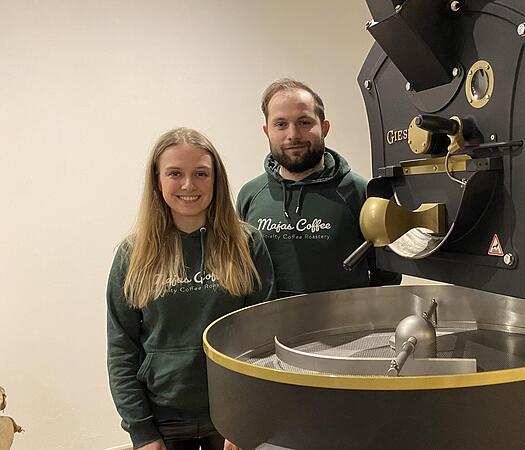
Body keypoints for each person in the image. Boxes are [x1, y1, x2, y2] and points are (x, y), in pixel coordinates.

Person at [107, 128, 275, 450]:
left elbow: (263, 341)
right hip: (162, 420)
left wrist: (247, 419)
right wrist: (142, 432)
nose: (188, 185)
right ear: (157, 180)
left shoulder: (247, 245)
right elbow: (121, 349)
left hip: (229, 417)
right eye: (175, 174)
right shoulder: (132, 254)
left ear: (216, 180)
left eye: (200, 173)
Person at [237, 78, 401, 297]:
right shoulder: (250, 195)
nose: (293, 135)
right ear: (267, 131)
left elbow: (387, 276)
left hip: (346, 329)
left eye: (304, 122)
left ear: (324, 127)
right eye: (281, 124)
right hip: (269, 328)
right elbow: (243, 271)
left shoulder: (362, 193)